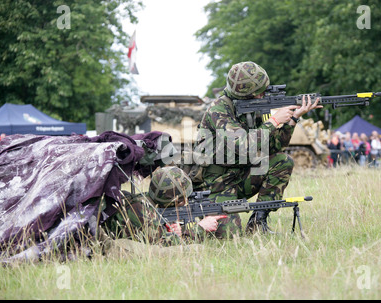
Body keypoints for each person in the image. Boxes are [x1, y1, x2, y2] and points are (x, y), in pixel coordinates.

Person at [190, 61, 323, 234]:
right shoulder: (219, 110)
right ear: (245, 94)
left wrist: (292, 119)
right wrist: (274, 121)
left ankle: (258, 224)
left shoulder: (253, 109)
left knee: (282, 162)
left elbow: (274, 147)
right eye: (259, 92)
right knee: (228, 234)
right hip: (214, 184)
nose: (263, 95)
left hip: (239, 175)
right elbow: (242, 145)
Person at [103, 166, 228, 244]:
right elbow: (164, 245)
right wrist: (201, 228)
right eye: (184, 198)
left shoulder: (147, 201)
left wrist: (177, 231)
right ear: (174, 200)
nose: (186, 201)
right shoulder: (143, 211)